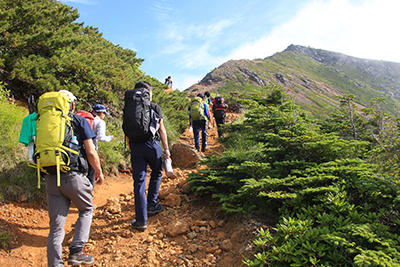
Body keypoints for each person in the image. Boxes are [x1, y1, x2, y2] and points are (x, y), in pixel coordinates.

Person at [47, 90, 104, 266]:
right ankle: (76, 252)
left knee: (56, 226)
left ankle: (55, 263)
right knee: (86, 210)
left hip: (50, 177)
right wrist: (99, 171)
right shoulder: (78, 120)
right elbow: (91, 151)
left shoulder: (44, 121)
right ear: (71, 104)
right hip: (73, 175)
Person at [124, 81, 171, 231]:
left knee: (139, 182)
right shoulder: (155, 107)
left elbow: (127, 129)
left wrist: (131, 146)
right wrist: (166, 148)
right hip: (153, 145)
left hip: (136, 146)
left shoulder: (130, 105)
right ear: (149, 92)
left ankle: (140, 221)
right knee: (156, 173)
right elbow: (161, 129)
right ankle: (151, 205)